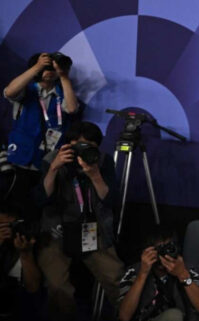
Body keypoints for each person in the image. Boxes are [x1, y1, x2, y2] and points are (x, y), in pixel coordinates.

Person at [35, 121, 123, 321]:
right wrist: (54, 169)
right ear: (67, 145)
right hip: (56, 230)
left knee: (116, 278)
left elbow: (111, 200)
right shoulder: (52, 159)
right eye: (77, 146)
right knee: (57, 286)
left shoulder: (103, 161)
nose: (82, 151)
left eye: (88, 147)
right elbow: (41, 199)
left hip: (92, 228)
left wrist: (95, 175)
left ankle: (130, 315)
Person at [4, 52, 78, 221]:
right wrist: (37, 67)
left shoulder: (62, 93)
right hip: (21, 162)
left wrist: (64, 76)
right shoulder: (27, 90)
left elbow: (72, 109)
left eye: (52, 67)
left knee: (41, 212)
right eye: (46, 67)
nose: (49, 70)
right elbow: (9, 92)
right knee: (17, 210)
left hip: (48, 163)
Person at [118, 226, 199, 321]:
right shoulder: (135, 270)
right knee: (174, 315)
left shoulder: (185, 270)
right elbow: (124, 316)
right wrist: (142, 274)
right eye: (159, 250)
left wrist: (182, 275)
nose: (164, 255)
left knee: (174, 315)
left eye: (168, 248)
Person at [0, 204, 42, 321]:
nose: (9, 229)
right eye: (3, 225)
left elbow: (33, 288)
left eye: (13, 224)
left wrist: (25, 254)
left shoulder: (22, 240)